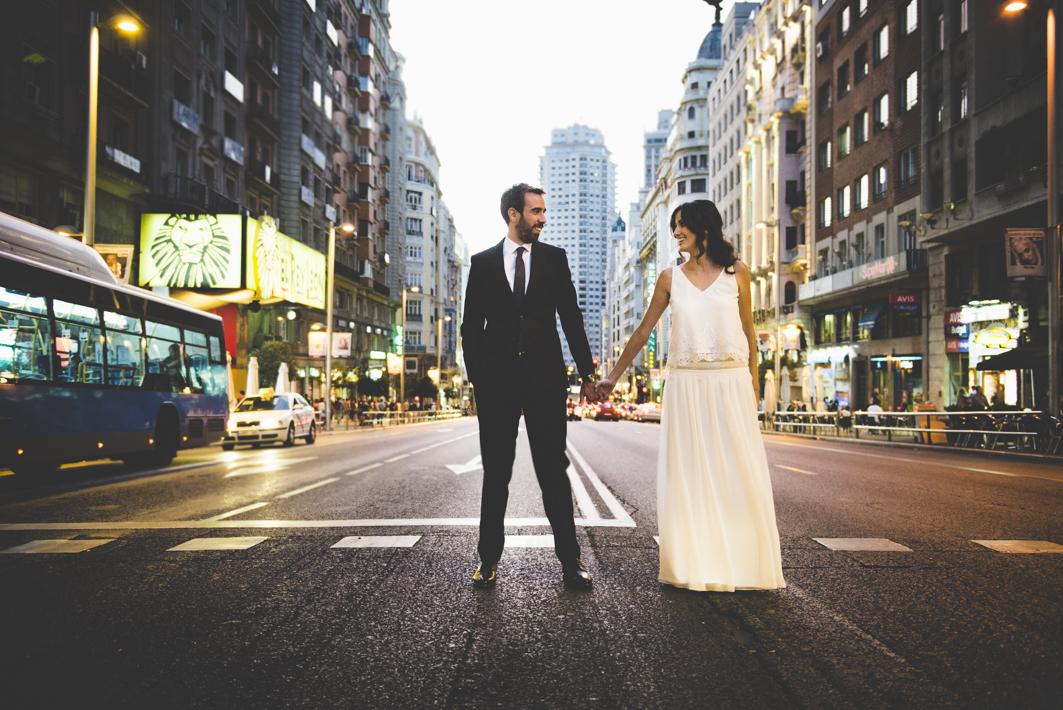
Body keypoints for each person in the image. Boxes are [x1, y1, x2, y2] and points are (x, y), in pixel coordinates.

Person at [597, 199, 785, 593]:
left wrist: (754, 387)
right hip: (686, 386)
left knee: (736, 475)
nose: (676, 232)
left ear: (703, 228)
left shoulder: (738, 273)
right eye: (674, 226)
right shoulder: (669, 278)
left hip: (731, 384)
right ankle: (695, 562)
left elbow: (749, 334)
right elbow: (643, 332)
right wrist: (612, 377)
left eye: (682, 225)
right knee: (693, 476)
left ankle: (745, 563)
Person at [460, 182, 598, 590]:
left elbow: (571, 317)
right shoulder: (482, 263)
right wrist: (478, 377)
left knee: (553, 471)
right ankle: (487, 560)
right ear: (513, 214)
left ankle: (570, 562)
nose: (544, 218)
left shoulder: (555, 259)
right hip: (496, 384)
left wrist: (587, 374)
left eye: (543, 211)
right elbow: (471, 327)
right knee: (496, 473)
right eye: (536, 211)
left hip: (545, 380)